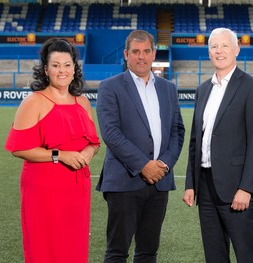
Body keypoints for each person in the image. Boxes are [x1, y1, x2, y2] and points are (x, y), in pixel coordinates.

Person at [4, 38, 100, 263]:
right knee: (44, 248)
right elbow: (19, 148)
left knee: (73, 248)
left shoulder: (83, 102)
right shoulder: (33, 102)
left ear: (75, 68)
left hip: (77, 188)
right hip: (43, 189)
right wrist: (59, 155)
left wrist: (88, 153)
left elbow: (94, 142)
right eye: (56, 65)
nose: (62, 71)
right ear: (46, 69)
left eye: (67, 65)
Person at [96, 30, 185, 263]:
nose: (142, 57)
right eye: (136, 52)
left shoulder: (168, 88)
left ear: (154, 53)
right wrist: (143, 165)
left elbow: (177, 131)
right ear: (126, 55)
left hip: (159, 182)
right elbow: (111, 133)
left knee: (148, 252)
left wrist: (163, 165)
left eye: (147, 51)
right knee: (117, 252)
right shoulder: (110, 87)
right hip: (125, 181)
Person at [183, 27, 253, 263]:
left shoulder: (252, 88)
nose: (219, 51)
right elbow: (195, 142)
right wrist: (191, 183)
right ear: (208, 51)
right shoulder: (203, 90)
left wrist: (247, 189)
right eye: (214, 46)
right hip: (205, 187)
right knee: (214, 256)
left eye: (224, 46)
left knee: (245, 255)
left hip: (236, 189)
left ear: (236, 50)